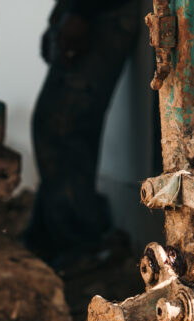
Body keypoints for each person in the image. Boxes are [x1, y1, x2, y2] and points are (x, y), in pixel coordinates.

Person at [22, 0, 141, 273]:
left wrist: (79, 13)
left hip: (100, 14)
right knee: (57, 128)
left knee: (63, 129)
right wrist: (61, 17)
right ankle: (48, 237)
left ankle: (79, 246)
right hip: (90, 14)